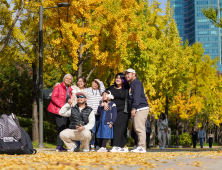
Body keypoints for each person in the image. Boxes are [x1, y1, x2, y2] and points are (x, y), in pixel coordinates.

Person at [125, 68, 149, 153]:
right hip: (138, 108)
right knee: (137, 127)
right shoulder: (132, 84)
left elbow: (137, 97)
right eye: (126, 74)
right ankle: (139, 145)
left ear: (134, 74)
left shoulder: (137, 83)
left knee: (139, 127)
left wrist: (134, 108)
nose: (127, 75)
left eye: (129, 73)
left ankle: (142, 146)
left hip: (140, 108)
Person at [47, 74, 73, 152]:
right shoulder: (58, 87)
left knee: (64, 127)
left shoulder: (70, 89)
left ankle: (62, 145)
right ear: (64, 79)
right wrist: (63, 106)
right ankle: (59, 146)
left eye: (70, 79)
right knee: (61, 127)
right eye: (67, 78)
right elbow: (53, 97)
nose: (68, 80)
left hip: (66, 111)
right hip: (59, 110)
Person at [107, 73, 130, 153]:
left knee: (119, 127)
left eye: (120, 78)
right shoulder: (111, 88)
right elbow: (104, 93)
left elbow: (133, 96)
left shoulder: (127, 89)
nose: (117, 79)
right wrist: (104, 100)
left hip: (123, 111)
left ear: (123, 80)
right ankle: (123, 146)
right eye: (116, 77)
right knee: (119, 128)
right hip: (113, 110)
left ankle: (116, 146)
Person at [84, 79, 105, 149]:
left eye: (97, 83)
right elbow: (79, 91)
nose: (95, 84)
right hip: (90, 114)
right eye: (94, 82)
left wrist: (100, 82)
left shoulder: (100, 91)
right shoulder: (87, 90)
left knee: (99, 129)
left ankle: (99, 145)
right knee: (92, 130)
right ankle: (92, 144)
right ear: (91, 83)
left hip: (99, 114)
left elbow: (103, 89)